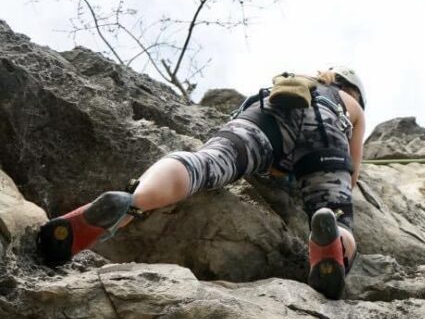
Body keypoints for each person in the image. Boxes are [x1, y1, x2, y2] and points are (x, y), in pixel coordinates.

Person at [36, 66, 367, 300]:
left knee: (205, 163)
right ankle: (331, 242)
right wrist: (338, 185)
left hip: (268, 113)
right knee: (335, 210)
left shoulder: (301, 77)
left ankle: (133, 201)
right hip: (325, 127)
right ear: (353, 90)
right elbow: (352, 170)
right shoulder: (350, 104)